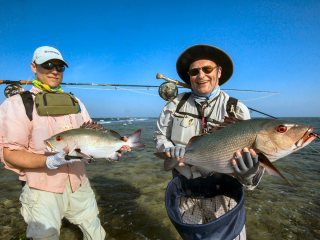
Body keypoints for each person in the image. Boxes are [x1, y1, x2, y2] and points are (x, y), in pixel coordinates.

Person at [0, 46, 129, 239]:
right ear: (34, 67)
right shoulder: (17, 104)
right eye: (48, 65)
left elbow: (91, 139)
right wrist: (48, 161)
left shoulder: (76, 101)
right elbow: (9, 153)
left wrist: (110, 151)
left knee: (96, 234)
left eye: (59, 67)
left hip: (79, 183)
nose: (54, 70)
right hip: (42, 190)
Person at [154, 44, 265, 239]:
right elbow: (160, 136)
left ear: (219, 72)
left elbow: (250, 153)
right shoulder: (173, 105)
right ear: (189, 76)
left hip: (225, 197)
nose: (201, 75)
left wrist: (250, 172)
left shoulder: (237, 109)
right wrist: (171, 149)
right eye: (195, 71)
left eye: (207, 69)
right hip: (186, 196)